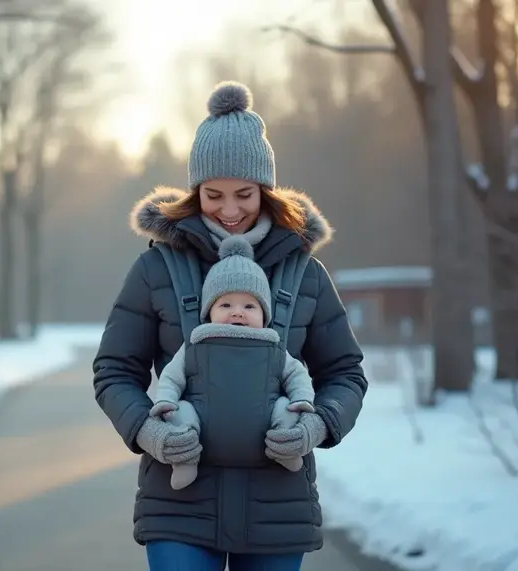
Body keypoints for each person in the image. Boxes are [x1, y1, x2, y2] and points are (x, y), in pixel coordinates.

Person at [92, 80, 367, 571]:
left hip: (277, 505)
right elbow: (115, 370)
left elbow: (345, 373)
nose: (231, 210)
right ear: (196, 192)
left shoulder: (304, 272)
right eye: (214, 195)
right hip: (177, 501)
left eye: (245, 194)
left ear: (266, 190)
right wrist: (147, 432)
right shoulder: (157, 269)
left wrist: (317, 424)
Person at [149, 234, 316, 490]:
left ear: (264, 314)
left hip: (263, 426)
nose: (237, 312)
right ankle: (186, 460)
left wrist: (301, 399)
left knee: (285, 408)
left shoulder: (272, 346)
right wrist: (166, 401)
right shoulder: (197, 343)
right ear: (208, 313)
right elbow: (172, 375)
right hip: (202, 423)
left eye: (249, 306)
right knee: (180, 412)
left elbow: (296, 374)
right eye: (225, 304)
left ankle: (285, 450)